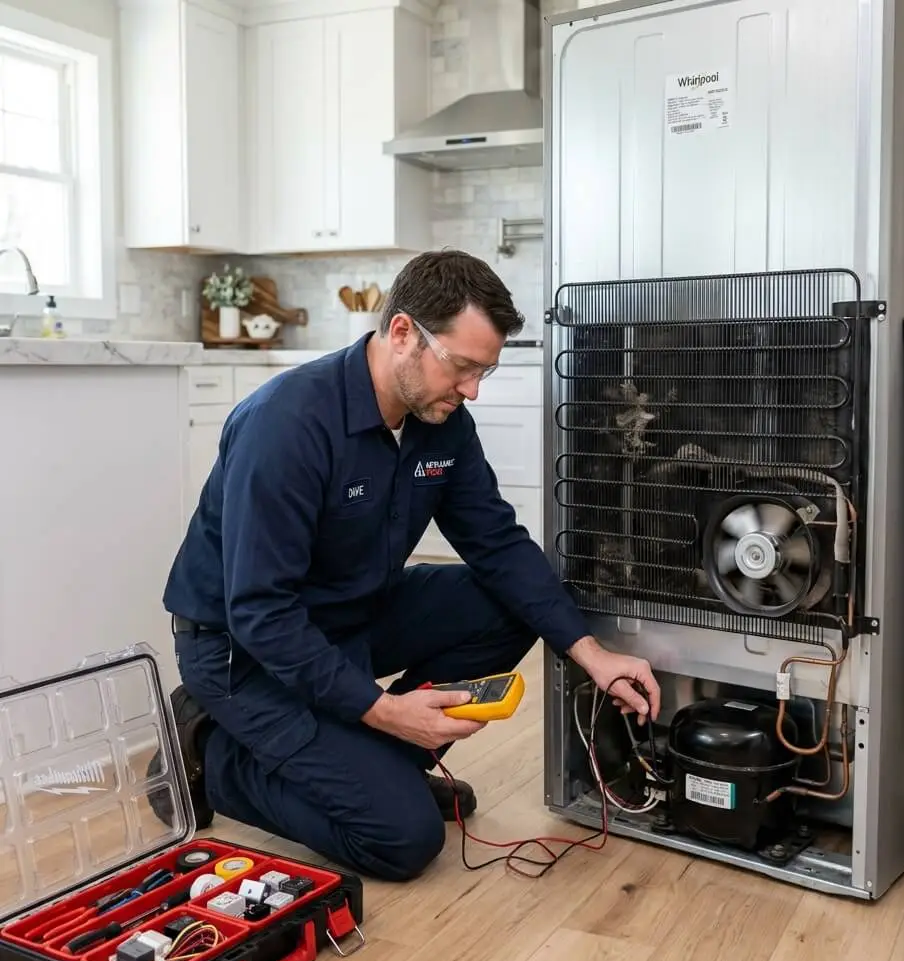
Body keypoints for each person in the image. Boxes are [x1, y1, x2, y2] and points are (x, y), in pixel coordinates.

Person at [152, 249, 661, 882]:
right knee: (403, 838)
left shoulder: (441, 421)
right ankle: (210, 754)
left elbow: (498, 544)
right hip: (243, 652)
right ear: (402, 333)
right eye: (462, 366)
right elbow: (261, 611)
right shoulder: (285, 425)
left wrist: (592, 654)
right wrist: (385, 711)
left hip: (349, 616)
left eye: (484, 371)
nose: (472, 389)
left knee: (504, 604)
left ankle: (377, 765)